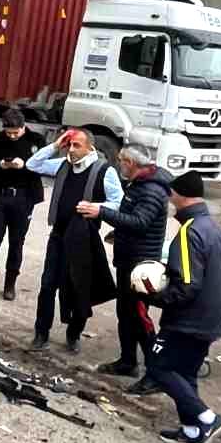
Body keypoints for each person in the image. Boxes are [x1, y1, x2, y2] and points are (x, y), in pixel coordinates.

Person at [141, 172, 221, 443]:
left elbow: (187, 285)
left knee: (159, 367)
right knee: (187, 373)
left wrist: (155, 297)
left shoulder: (188, 233)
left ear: (178, 195)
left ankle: (206, 418)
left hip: (187, 319)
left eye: (171, 194)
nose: (170, 199)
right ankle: (192, 432)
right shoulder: (218, 230)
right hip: (211, 317)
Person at [78, 144, 173, 391]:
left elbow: (140, 222)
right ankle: (127, 361)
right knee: (125, 313)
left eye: (121, 160)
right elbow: (133, 218)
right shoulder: (137, 184)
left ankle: (156, 374)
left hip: (140, 267)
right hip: (127, 259)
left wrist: (102, 212)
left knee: (139, 318)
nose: (118, 163)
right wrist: (117, 232)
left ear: (131, 162)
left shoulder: (152, 190)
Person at [26, 128, 122, 351]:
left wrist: (97, 207)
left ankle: (74, 334)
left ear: (91, 147)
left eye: (76, 145)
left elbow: (118, 202)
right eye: (69, 145)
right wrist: (55, 145)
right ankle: (41, 333)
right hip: (58, 237)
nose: (71, 150)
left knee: (80, 288)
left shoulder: (103, 171)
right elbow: (33, 165)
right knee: (48, 285)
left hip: (83, 240)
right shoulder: (63, 165)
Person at [0, 108, 46, 301]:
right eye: (9, 132)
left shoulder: (37, 141)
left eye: (16, 132)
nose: (12, 136)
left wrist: (25, 165)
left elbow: (43, 167)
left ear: (24, 127)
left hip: (24, 198)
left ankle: (9, 285)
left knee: (16, 243)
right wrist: (1, 165)